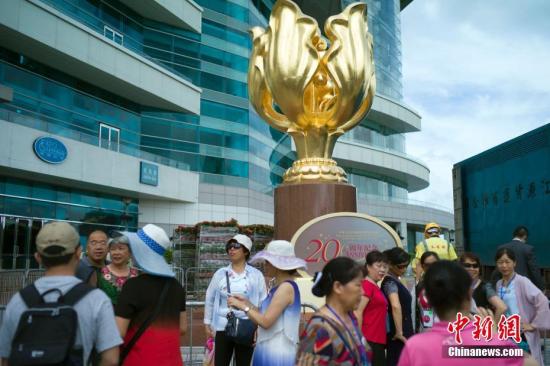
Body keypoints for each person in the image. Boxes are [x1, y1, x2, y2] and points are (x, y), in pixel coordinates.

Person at [0, 221, 121, 366]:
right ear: (78, 252)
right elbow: (111, 359)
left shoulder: (18, 301)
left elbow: (5, 359)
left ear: (38, 257)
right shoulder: (97, 299)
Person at [398, 261, 537, 366]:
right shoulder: (492, 343)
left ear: (428, 299)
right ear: (469, 294)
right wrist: (496, 337)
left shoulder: (414, 347)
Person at [114, 224, 187, 366]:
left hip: (139, 360)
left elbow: (118, 332)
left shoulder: (133, 286)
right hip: (172, 361)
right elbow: (183, 328)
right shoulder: (177, 286)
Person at [227, 240, 306, 366]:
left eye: (268, 261)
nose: (265, 264)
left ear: (277, 264)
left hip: (278, 353)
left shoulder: (286, 287)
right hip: (270, 348)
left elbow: (266, 321)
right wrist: (247, 304)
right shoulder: (279, 286)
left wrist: (244, 306)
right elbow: (264, 315)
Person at [203, 234, 267, 366]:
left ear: (246, 251)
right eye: (229, 247)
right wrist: (207, 323)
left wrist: (258, 327)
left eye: (236, 246)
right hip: (222, 326)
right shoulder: (220, 273)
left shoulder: (256, 275)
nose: (231, 249)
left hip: (247, 326)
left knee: (243, 363)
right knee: (220, 363)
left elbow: (263, 301)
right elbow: (209, 297)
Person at [296, 257, 369, 366]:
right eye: (358, 285)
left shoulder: (350, 317)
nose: (362, 292)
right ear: (338, 287)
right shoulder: (319, 329)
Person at [495, 248, 550, 365]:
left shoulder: (522, 282)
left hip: (521, 334)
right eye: (500, 262)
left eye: (507, 262)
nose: (504, 265)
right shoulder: (499, 284)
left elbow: (543, 301)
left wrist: (533, 325)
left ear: (514, 263)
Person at [381, 247, 414, 366]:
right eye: (400, 266)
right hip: (399, 330)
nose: (404, 269)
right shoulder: (390, 282)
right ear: (390, 264)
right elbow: (395, 305)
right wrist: (399, 332)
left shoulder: (396, 279)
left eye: (406, 265)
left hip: (403, 326)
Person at [355, 250, 388, 366]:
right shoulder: (366, 285)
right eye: (378, 266)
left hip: (377, 339)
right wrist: (360, 340)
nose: (382, 270)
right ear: (368, 267)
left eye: (385, 266)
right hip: (369, 339)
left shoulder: (375, 286)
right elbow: (357, 312)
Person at [491, 226, 545, 291]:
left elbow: (497, 270)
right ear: (525, 236)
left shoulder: (501, 248)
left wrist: (493, 285)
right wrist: (541, 287)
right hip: (523, 287)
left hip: (505, 284)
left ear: (514, 235)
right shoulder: (528, 249)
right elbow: (534, 270)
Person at [459, 252, 507, 320]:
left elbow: (502, 307)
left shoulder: (485, 287)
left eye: (475, 266)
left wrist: (494, 326)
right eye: (467, 265)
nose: (472, 268)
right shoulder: (455, 286)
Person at [97, 235, 139, 304]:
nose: (116, 253)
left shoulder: (137, 274)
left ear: (130, 253)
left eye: (121, 248)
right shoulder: (99, 273)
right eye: (113, 249)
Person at [415, 251, 439, 333]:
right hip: (426, 332)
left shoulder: (447, 284)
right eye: (427, 265)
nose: (431, 267)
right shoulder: (420, 286)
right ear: (422, 266)